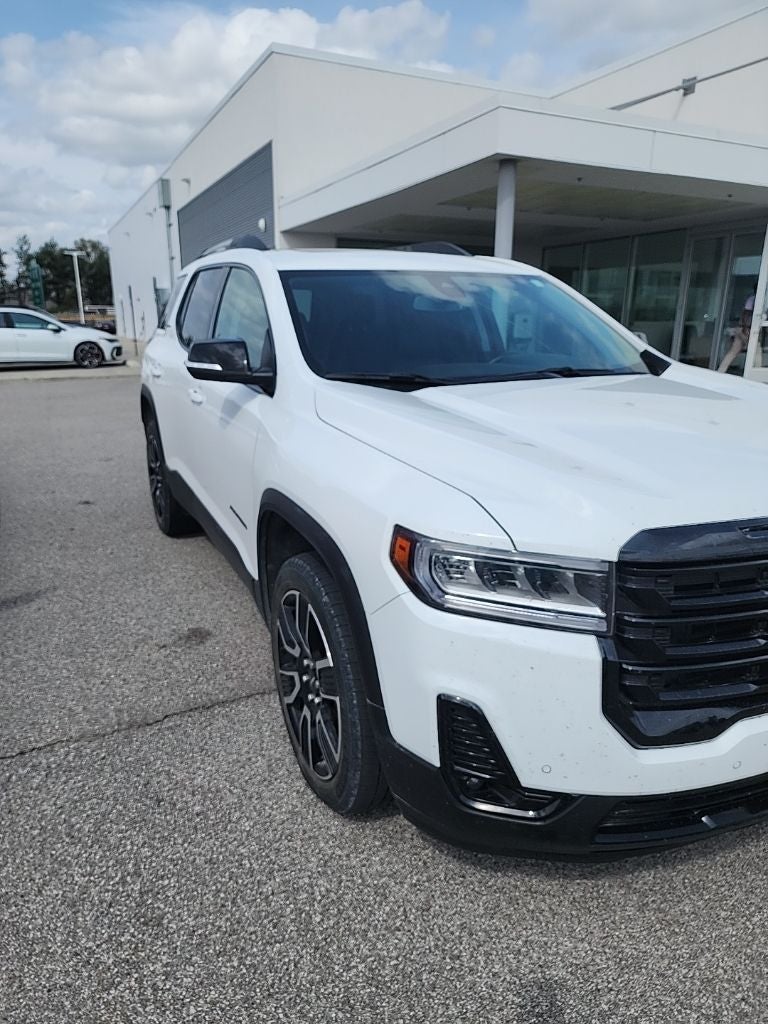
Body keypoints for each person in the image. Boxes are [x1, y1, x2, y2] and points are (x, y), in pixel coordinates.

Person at [718, 279, 757, 372]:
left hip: (743, 328)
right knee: (756, 351)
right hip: (747, 329)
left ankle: (720, 371)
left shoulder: (752, 299)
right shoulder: (754, 299)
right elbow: (745, 313)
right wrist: (745, 328)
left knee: (733, 352)